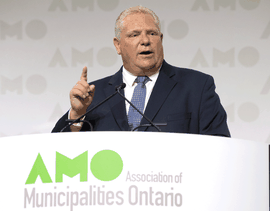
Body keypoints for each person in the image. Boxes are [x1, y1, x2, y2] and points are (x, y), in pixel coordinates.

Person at [52, 5, 230, 137]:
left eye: (152, 34)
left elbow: (220, 146)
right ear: (118, 45)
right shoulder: (94, 95)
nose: (145, 41)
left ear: (161, 39)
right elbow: (54, 151)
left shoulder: (197, 87)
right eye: (134, 35)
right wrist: (76, 115)